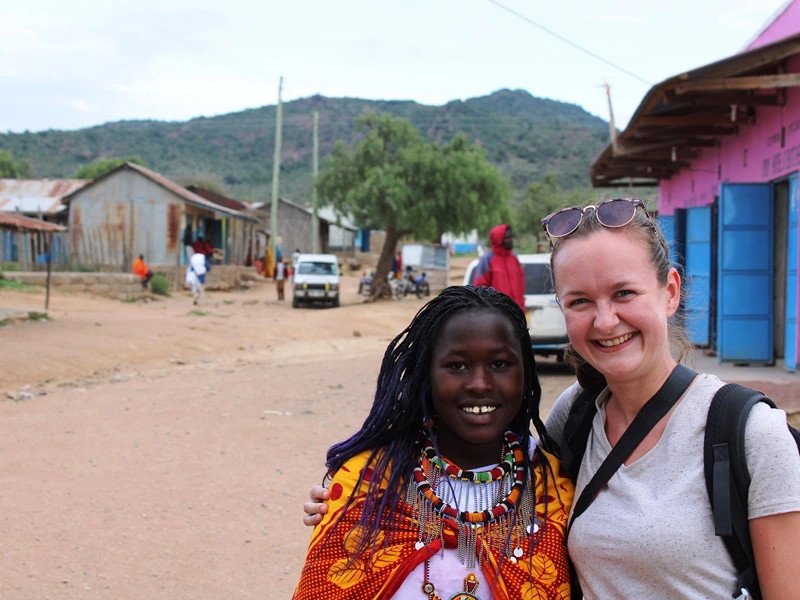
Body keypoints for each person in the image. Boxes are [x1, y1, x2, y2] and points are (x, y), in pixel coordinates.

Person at [303, 198, 800, 598]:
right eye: (580, 301)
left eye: (624, 293)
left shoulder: (749, 434)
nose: (605, 321)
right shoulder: (575, 419)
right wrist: (362, 488)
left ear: (670, 291)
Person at [293, 286, 573, 600]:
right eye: (457, 366)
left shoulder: (550, 490)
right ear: (425, 375)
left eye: (500, 364)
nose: (480, 384)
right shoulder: (369, 483)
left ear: (526, 373)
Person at [473, 224, 525, 314]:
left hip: (517, 312)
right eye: (507, 238)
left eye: (511, 237)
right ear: (499, 240)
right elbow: (480, 288)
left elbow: (520, 284)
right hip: (497, 314)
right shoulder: (487, 259)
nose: (511, 240)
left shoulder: (514, 258)